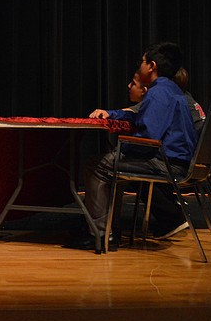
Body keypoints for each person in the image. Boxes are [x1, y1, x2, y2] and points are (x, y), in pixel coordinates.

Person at [69, 42, 198, 251]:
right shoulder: (171, 89)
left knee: (96, 165)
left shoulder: (158, 93)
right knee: (112, 165)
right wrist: (112, 114)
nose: (139, 66)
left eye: (142, 62)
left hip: (167, 164)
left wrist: (121, 151)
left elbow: (147, 136)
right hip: (175, 160)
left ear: (152, 66)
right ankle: (109, 231)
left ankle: (100, 234)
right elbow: (139, 115)